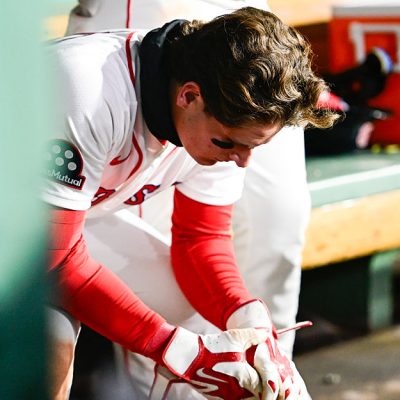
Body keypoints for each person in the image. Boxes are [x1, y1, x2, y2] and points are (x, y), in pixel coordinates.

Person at [45, 6, 336, 400]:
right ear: (189, 95)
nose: (242, 159)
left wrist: (244, 316)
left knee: (182, 306)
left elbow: (200, 238)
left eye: (253, 147)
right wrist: (168, 346)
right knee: (48, 336)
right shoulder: (88, 89)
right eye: (230, 143)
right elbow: (55, 258)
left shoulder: (219, 113)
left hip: (44, 223)